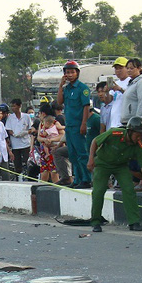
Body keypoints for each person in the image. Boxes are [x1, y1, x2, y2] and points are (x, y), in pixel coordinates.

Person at [88, 116, 142, 232]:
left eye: (141, 135)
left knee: (129, 190)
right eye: (137, 134)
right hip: (103, 164)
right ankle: (95, 221)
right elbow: (95, 141)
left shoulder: (138, 146)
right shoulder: (114, 133)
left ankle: (134, 222)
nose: (139, 137)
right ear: (130, 131)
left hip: (121, 167)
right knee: (98, 191)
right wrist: (91, 159)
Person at [57, 60, 92, 189]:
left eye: (72, 72)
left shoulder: (82, 88)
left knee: (82, 153)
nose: (70, 74)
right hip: (69, 126)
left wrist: (83, 124)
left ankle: (86, 179)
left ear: (77, 73)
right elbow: (59, 102)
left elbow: (86, 107)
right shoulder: (67, 89)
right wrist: (60, 86)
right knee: (72, 154)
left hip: (78, 125)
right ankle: (77, 179)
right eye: (67, 72)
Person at [5, 99, 32, 177]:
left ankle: (28, 176)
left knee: (27, 161)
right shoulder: (10, 118)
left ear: (19, 106)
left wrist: (24, 133)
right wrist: (14, 134)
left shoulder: (26, 117)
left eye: (14, 106)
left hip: (26, 143)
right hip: (15, 145)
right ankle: (18, 177)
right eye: (12, 106)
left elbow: (30, 129)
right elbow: (8, 129)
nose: (13, 108)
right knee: (17, 163)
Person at [119, 58, 142, 125]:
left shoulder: (141, 82)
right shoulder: (131, 83)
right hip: (126, 122)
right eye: (127, 68)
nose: (129, 70)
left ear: (139, 68)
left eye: (132, 68)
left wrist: (138, 120)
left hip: (135, 123)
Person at [108, 57, 131, 129]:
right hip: (114, 122)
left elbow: (132, 97)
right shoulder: (116, 83)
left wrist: (120, 89)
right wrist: (106, 91)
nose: (118, 71)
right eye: (116, 68)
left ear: (127, 68)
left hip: (124, 123)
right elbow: (108, 101)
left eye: (120, 68)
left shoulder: (131, 81)